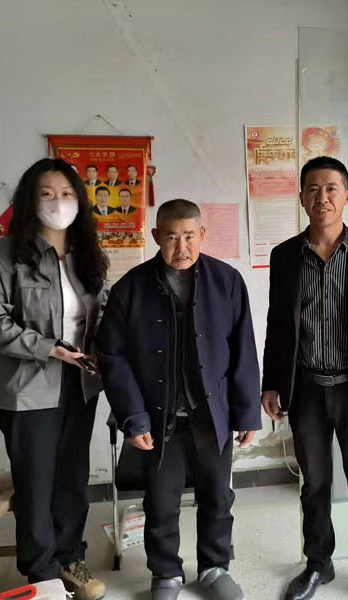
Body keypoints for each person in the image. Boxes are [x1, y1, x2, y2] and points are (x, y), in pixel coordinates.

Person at [97, 199, 261, 600]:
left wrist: (247, 414)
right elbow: (112, 357)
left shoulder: (227, 281)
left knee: (217, 496)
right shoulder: (130, 288)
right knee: (161, 501)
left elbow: (243, 349)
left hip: (212, 414)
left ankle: (214, 567)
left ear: (202, 234)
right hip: (159, 417)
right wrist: (133, 417)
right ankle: (166, 572)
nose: (181, 247)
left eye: (189, 236)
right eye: (172, 237)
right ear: (156, 236)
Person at [0, 158, 109, 600]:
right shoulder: (2, 254)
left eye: (66, 194)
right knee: (35, 482)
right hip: (28, 388)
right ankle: (42, 573)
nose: (58, 202)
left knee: (72, 477)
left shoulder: (88, 254)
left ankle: (70, 560)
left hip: (81, 383)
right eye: (47, 194)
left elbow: (102, 311)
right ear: (29, 200)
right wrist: (49, 348)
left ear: (79, 201)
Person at [262, 156, 348, 600]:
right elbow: (277, 325)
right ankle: (318, 565)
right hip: (306, 390)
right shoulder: (285, 256)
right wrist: (271, 382)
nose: (322, 197)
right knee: (315, 485)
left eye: (331, 189)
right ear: (302, 197)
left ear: (346, 196)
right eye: (313, 189)